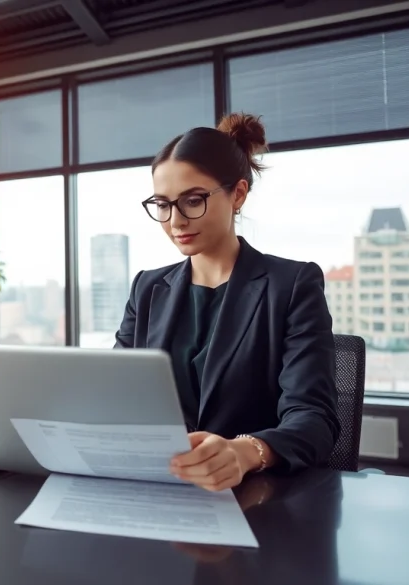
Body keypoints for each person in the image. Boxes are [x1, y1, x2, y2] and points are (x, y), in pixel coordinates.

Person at [115, 112, 340, 491]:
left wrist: (246, 451)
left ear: (238, 194)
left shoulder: (291, 285)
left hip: (256, 498)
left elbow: (315, 419)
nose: (176, 221)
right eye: (163, 205)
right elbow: (117, 397)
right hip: (159, 488)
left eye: (193, 201)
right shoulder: (147, 288)